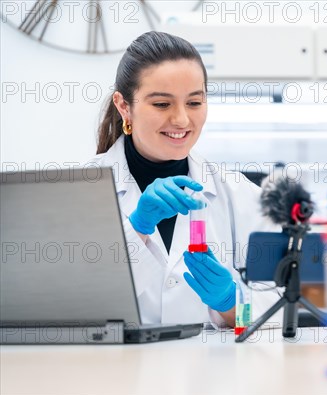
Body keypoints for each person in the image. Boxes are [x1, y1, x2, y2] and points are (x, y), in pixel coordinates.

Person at [91, 31, 279, 328]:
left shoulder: (239, 194)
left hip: (210, 373)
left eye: (194, 103)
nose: (181, 120)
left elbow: (282, 308)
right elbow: (76, 304)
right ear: (124, 106)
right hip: (118, 371)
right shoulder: (84, 191)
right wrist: (135, 229)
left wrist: (232, 303)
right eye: (162, 104)